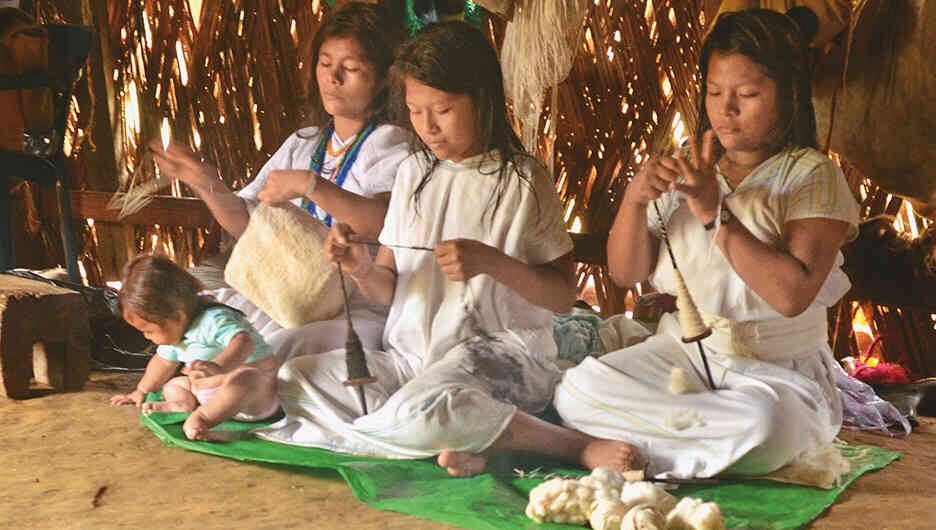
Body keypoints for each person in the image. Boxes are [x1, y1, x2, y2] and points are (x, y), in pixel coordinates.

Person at [255, 22, 642, 477]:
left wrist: (490, 262)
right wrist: (359, 266)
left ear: (481, 99)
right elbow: (387, 290)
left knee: (433, 408)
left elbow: (560, 296)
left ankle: (571, 446)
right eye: (417, 112)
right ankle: (476, 441)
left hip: (497, 355)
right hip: (412, 360)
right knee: (293, 380)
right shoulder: (414, 174)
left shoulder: (520, 179)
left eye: (443, 109)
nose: (428, 127)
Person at [554, 9, 861, 479]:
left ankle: (645, 448)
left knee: (767, 426)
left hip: (776, 373)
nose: (726, 109)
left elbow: (791, 295)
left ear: (790, 94)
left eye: (748, 94)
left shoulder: (812, 175)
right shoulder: (690, 165)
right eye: (715, 92)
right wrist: (635, 200)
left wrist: (713, 212)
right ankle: (699, 451)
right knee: (577, 389)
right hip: (686, 354)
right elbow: (624, 273)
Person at [149, 2, 410, 357]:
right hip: (289, 296)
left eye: (350, 68)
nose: (333, 79)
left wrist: (310, 186)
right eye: (325, 63)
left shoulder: (389, 143)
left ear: (383, 79)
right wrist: (204, 180)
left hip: (355, 306)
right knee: (206, 332)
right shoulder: (304, 142)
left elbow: (383, 222)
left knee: (271, 354)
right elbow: (249, 224)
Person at [109, 254, 278, 441]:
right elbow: (162, 363)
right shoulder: (175, 332)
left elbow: (243, 341)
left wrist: (220, 367)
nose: (146, 336)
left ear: (178, 317)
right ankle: (180, 405)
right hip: (209, 392)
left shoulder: (213, 319)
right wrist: (141, 391)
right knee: (174, 384)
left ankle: (203, 419)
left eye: (149, 331)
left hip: (252, 395)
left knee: (246, 377)